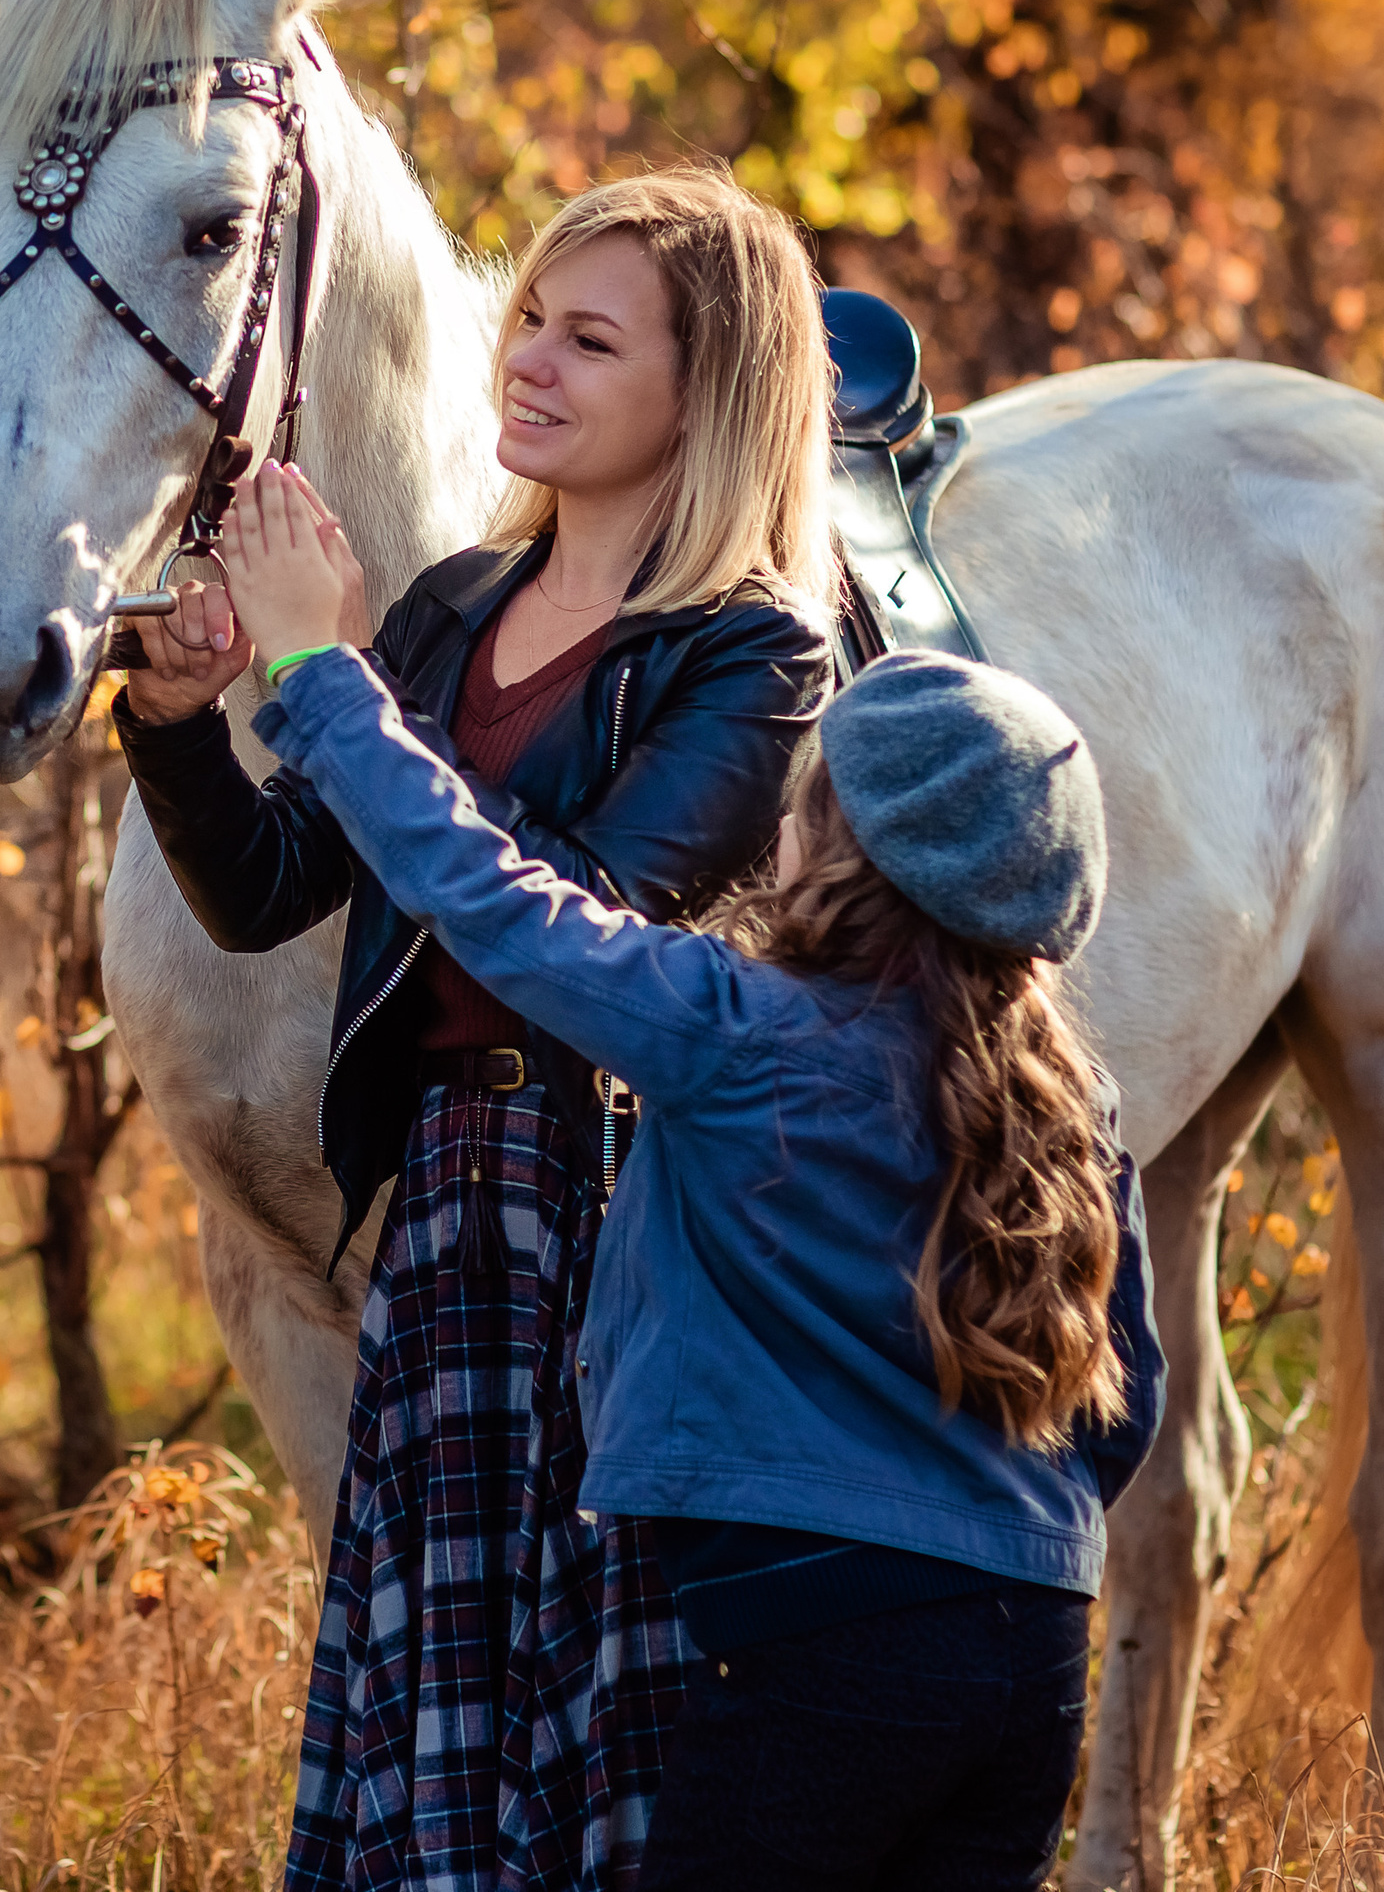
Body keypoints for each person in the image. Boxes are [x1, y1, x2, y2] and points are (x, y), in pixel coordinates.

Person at [216, 463, 1165, 1892]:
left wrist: (316, 671)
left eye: (805, 804)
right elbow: (1121, 1402)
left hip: (800, 1643)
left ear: (840, 849)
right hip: (1033, 1649)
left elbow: (493, 900)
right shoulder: (1072, 1097)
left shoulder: (742, 1037)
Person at [116, 170, 836, 1889]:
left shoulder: (751, 655)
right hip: (449, 1214)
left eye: (593, 341)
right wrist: (176, 721)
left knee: (613, 1735)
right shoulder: (449, 608)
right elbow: (281, 883)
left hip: (630, 1230)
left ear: (709, 393)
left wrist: (326, 681)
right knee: (432, 1742)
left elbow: (565, 932)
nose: (531, 363)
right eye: (531, 319)